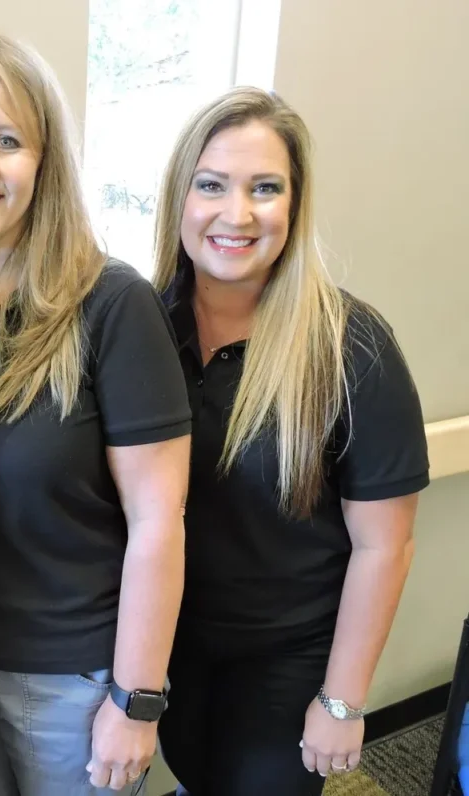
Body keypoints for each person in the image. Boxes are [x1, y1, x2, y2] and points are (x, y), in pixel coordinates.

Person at [0, 33, 192, 796]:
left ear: (44, 161)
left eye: (6, 140)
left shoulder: (112, 307)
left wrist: (136, 701)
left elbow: (160, 520)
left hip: (73, 686)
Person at [151, 86, 430, 795]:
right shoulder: (142, 330)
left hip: (290, 661)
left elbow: (385, 544)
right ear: (179, 198)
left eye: (265, 188)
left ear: (295, 206)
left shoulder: (350, 345)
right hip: (173, 649)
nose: (236, 214)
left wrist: (342, 701)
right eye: (211, 185)